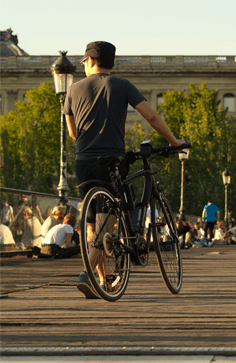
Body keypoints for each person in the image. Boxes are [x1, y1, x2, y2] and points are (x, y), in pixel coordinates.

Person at [64, 41, 185, 299]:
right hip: (112, 159)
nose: (84, 66)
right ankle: (88, 274)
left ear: (91, 61)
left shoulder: (73, 89)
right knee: (106, 223)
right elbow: (151, 117)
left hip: (84, 161)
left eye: (84, 62)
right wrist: (174, 142)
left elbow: (73, 132)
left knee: (91, 222)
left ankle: (101, 280)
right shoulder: (122, 85)